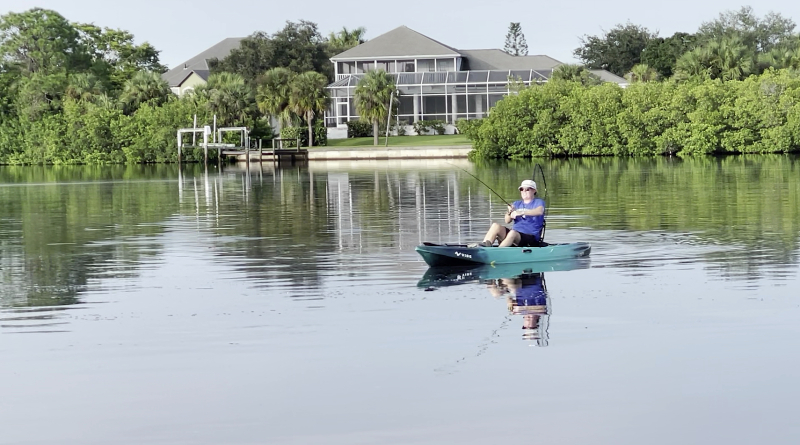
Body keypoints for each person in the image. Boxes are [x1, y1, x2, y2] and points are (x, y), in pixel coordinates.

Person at [470, 179, 545, 248]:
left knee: (513, 233)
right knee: (495, 226)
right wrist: (510, 212)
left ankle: (498, 252)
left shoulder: (538, 202)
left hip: (530, 237)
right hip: (515, 236)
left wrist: (521, 212)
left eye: (527, 189)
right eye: (522, 189)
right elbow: (507, 221)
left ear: (534, 191)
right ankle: (485, 246)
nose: (524, 191)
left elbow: (539, 211)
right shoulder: (516, 203)